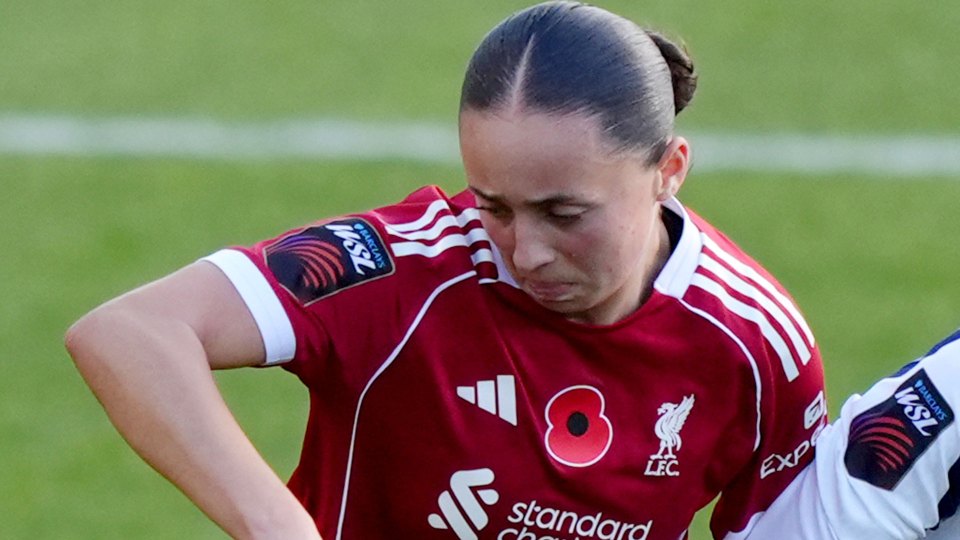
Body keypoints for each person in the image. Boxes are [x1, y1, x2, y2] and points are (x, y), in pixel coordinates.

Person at [65, 2, 953, 539]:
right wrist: (278, 526)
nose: (524, 250)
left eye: (566, 214)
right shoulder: (410, 266)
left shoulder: (752, 343)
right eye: (492, 204)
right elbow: (132, 333)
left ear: (669, 169)